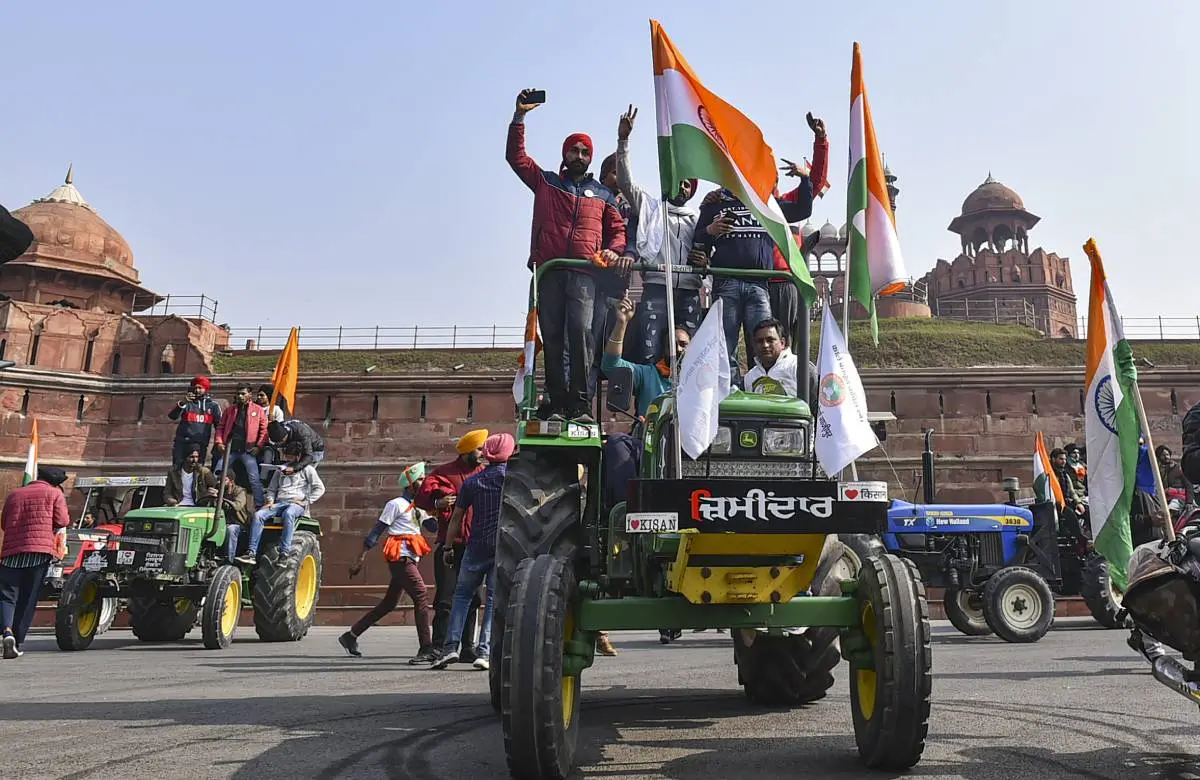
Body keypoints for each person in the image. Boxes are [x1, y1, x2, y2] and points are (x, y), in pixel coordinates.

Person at [507, 88, 628, 420]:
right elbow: (516, 159)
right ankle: (557, 402)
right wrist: (519, 117)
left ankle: (580, 404)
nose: (579, 155)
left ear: (590, 157)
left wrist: (614, 250)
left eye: (584, 151)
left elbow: (618, 231)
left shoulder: (603, 194)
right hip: (550, 271)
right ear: (565, 154)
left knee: (581, 335)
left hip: (584, 273)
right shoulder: (547, 183)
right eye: (574, 150)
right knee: (554, 337)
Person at [692, 172, 817, 384]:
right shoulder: (714, 204)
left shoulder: (765, 205)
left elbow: (802, 209)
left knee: (766, 341)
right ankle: (728, 392)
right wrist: (709, 230)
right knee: (725, 344)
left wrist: (805, 179)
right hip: (726, 283)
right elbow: (697, 243)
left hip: (759, 284)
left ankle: (765, 386)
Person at [613, 105, 703, 364]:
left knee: (690, 355)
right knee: (650, 351)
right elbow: (625, 183)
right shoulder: (651, 209)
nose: (682, 187)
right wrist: (623, 141)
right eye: (678, 181)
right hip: (656, 288)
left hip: (688, 292)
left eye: (687, 184)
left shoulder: (697, 219)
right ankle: (651, 404)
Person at [431, 433, 515, 671]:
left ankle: (449, 648)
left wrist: (448, 547)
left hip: (475, 545)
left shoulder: (473, 482)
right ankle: (484, 651)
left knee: (462, 596)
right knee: (491, 599)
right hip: (501, 547)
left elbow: (456, 517)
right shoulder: (511, 479)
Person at [340, 463, 436, 663]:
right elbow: (376, 531)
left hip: (411, 557)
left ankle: (351, 635)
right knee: (421, 595)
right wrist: (360, 559)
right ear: (410, 484)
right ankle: (426, 647)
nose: (423, 482)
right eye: (420, 479)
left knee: (389, 603)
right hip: (400, 557)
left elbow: (433, 527)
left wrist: (443, 509)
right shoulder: (396, 504)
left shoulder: (420, 507)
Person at [415, 429, 487, 662]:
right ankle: (439, 646)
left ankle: (467, 646)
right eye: (478, 449)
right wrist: (439, 502)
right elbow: (422, 498)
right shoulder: (444, 473)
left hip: (475, 546)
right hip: (451, 546)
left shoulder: (484, 472)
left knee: (474, 598)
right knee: (446, 598)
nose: (482, 453)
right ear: (467, 452)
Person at [768, 113, 829, 335]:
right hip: (756, 281)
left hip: (785, 281)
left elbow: (815, 183)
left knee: (784, 340)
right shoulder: (746, 205)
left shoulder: (786, 204)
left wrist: (820, 141)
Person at [0, 466, 70, 658]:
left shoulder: (15, 494)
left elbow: (4, 523)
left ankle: (7, 632)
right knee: (28, 597)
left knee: (7, 596)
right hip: (38, 552)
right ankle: (17, 640)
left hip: (11, 552)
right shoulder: (54, 494)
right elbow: (62, 520)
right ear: (55, 482)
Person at [601, 291, 689, 419]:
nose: (678, 349)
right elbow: (611, 366)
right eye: (671, 344)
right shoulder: (648, 374)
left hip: (689, 437)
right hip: (651, 436)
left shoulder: (701, 381)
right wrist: (622, 323)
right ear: (663, 348)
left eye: (683, 344)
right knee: (617, 440)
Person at [235, 443, 325, 564]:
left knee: (288, 514)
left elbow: (320, 488)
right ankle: (251, 552)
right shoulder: (281, 469)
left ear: (298, 456)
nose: (289, 459)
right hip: (280, 502)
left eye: (292, 457)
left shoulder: (307, 470)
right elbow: (272, 489)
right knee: (258, 515)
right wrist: (270, 501)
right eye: (287, 456)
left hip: (296, 504)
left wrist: (305, 501)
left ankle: (284, 553)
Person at [213, 384, 268, 509]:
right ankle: (213, 499)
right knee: (218, 472)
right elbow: (220, 427)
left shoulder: (258, 410)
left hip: (247, 450)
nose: (240, 396)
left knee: (254, 478)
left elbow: (264, 430)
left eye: (243, 394)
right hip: (230, 449)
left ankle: (259, 505)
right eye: (238, 394)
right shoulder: (230, 410)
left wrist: (258, 446)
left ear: (249, 394)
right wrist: (219, 442)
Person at [167, 375, 222, 469]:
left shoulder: (213, 405)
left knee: (197, 470)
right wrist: (182, 403)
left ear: (206, 388)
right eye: (195, 387)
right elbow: (172, 416)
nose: (197, 390)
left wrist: (219, 442)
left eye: (200, 388)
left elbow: (219, 426)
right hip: (182, 442)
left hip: (200, 443)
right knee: (177, 468)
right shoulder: (187, 402)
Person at [202, 470, 253, 561]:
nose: (219, 482)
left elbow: (237, 506)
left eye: (223, 480)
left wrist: (220, 498)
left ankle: (229, 560)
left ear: (231, 482)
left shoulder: (240, 491)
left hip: (239, 525)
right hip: (220, 523)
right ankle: (207, 558)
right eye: (218, 479)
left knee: (231, 529)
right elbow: (203, 505)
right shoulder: (216, 488)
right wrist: (208, 496)